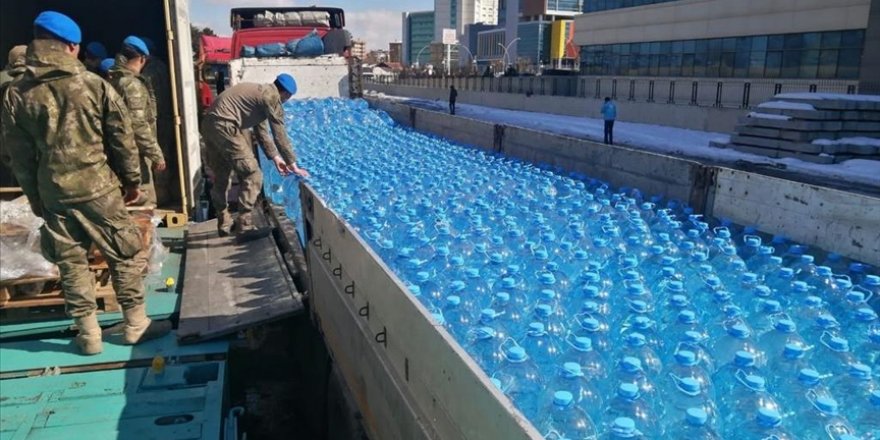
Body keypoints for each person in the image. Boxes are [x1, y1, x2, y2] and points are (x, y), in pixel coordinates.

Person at [1, 11, 171, 355]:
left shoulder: (15, 95)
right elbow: (122, 139)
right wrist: (132, 182)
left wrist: (36, 197)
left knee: (71, 261)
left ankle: (89, 334)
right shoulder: (94, 85)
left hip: (53, 191)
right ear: (72, 47)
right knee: (122, 252)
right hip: (98, 188)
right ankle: (136, 323)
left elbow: (17, 157)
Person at [202, 74, 309, 236]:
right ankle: (245, 226)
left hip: (210, 125)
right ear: (285, 94)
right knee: (253, 173)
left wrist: (276, 158)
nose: (285, 102)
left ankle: (224, 222)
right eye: (287, 98)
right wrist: (293, 164)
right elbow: (279, 134)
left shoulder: (259, 95)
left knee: (222, 175)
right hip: (225, 125)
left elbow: (262, 133)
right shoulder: (271, 97)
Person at [107, 36, 167, 206]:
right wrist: (156, 154)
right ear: (142, 58)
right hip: (135, 158)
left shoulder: (111, 80)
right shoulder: (131, 85)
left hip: (116, 155)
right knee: (144, 208)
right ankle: (167, 233)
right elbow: (138, 124)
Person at [139, 37, 176, 206]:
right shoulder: (162, 66)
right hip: (167, 117)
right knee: (164, 155)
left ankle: (160, 197)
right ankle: (166, 194)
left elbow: (150, 100)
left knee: (157, 159)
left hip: (156, 120)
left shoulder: (148, 73)